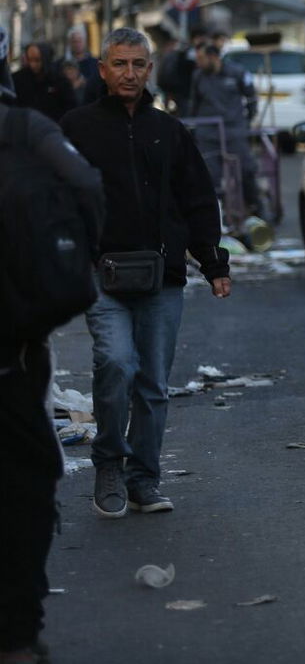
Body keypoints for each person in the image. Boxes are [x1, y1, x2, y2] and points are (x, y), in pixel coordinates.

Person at [61, 27, 232, 519]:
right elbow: (56, 199)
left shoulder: (169, 131)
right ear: (103, 69)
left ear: (149, 70)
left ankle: (143, 480)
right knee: (115, 364)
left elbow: (198, 200)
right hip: (102, 275)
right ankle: (109, 464)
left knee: (153, 383)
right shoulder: (77, 127)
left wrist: (213, 262)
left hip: (163, 276)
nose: (129, 73)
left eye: (138, 64)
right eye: (120, 64)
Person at [0, 40, 104, 664]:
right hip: (11, 348)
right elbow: (86, 190)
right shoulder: (22, 129)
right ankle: (14, 634)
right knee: (24, 485)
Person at [189, 42, 261, 217]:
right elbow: (194, 105)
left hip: (233, 131)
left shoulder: (237, 73)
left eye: (201, 59)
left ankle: (255, 208)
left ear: (213, 57)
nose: (198, 63)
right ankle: (216, 215)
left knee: (246, 170)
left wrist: (247, 120)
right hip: (208, 134)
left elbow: (251, 97)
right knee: (210, 177)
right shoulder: (198, 76)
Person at [13, 42, 77, 122]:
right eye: (30, 60)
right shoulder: (18, 79)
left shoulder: (59, 80)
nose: (33, 65)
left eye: (37, 60)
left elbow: (70, 108)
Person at [67, 26, 102, 104]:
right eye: (74, 41)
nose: (77, 44)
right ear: (70, 43)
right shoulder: (64, 64)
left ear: (84, 42)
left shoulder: (95, 63)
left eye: (79, 41)